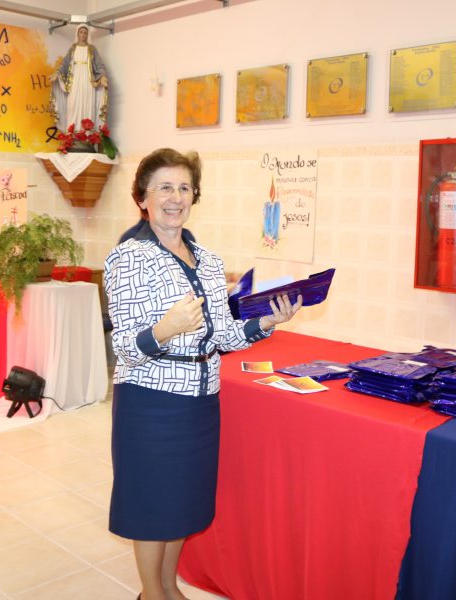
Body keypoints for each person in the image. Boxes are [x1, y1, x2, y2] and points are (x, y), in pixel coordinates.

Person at [104, 148, 302, 600]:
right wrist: (165, 328)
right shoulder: (128, 258)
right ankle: (151, 593)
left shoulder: (208, 260)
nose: (175, 198)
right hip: (151, 402)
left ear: (195, 195)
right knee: (153, 503)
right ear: (142, 198)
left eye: (184, 187)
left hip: (201, 401)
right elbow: (123, 348)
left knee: (181, 500)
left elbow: (223, 335)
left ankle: (168, 586)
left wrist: (266, 322)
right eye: (164, 188)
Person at [50, 24, 108, 133]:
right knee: (72, 104)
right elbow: (65, 64)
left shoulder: (92, 49)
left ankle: (87, 134)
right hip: (75, 80)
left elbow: (100, 65)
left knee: (87, 104)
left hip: (88, 81)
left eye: (85, 32)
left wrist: (103, 76)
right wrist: (57, 73)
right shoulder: (73, 48)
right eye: (81, 32)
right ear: (77, 34)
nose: (83, 34)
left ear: (87, 35)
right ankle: (72, 132)